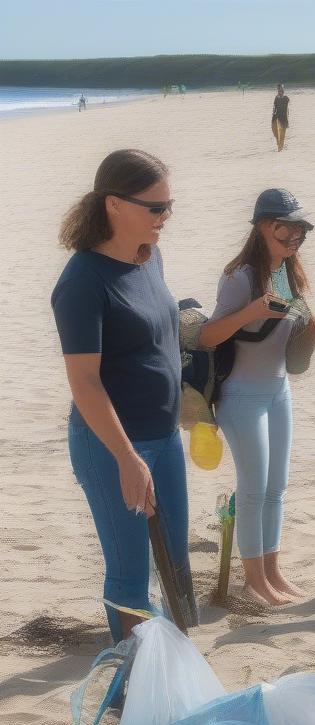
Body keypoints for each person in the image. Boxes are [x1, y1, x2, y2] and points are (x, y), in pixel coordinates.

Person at [53, 149, 186, 642]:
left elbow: (160, 340)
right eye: (155, 208)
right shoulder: (82, 281)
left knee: (174, 562)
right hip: (112, 445)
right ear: (113, 204)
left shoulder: (149, 258)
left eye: (169, 205)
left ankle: (174, 671)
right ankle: (133, 684)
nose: (165, 217)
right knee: (131, 574)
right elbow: (84, 381)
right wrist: (127, 456)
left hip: (166, 436)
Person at [199, 188, 315, 606]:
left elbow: (288, 333)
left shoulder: (290, 271)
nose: (296, 236)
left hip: (278, 390)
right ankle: (254, 582)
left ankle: (272, 572)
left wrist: (314, 330)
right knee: (253, 488)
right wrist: (252, 312)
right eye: (289, 228)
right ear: (266, 227)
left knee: (277, 488)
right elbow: (207, 336)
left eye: (301, 229)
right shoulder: (239, 277)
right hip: (242, 395)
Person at [271, 84, 289, 152]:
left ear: (283, 90)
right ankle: (279, 144)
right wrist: (273, 113)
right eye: (279, 89)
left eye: (281, 89)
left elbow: (287, 109)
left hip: (283, 118)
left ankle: (280, 149)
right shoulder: (276, 98)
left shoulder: (286, 98)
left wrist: (287, 120)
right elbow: (274, 107)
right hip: (276, 117)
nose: (280, 90)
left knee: (282, 134)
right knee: (275, 132)